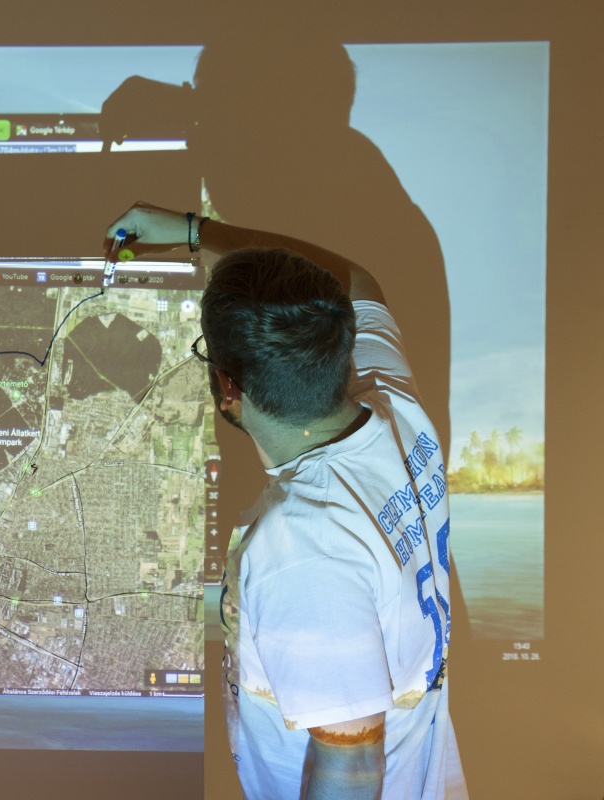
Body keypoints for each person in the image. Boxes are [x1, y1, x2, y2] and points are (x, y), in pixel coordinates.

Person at [105, 204, 466, 798]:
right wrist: (196, 231)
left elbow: (352, 769)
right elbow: (359, 281)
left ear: (227, 386)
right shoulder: (395, 405)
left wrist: (197, 232)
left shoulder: (303, 546)